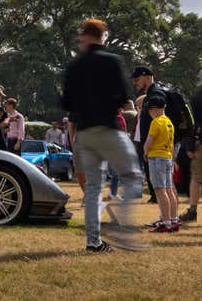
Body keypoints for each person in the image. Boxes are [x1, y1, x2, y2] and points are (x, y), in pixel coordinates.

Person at [61, 18, 144, 253]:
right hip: (107, 128)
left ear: (84, 36)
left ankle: (93, 241)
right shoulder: (112, 61)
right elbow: (123, 95)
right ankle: (122, 228)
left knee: (94, 187)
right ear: (102, 36)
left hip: (84, 133)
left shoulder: (74, 66)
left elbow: (66, 101)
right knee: (133, 177)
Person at [143, 96, 178, 232]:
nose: (150, 114)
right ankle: (174, 220)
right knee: (169, 190)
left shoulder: (156, 122)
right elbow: (172, 142)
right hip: (167, 157)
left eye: (150, 111)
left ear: (155, 109)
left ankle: (165, 222)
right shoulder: (169, 123)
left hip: (156, 158)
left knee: (159, 190)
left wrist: (145, 152)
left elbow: (148, 141)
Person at [132, 66, 167, 205]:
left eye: (137, 79)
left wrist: (149, 144)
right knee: (157, 184)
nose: (135, 83)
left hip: (156, 147)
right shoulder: (150, 96)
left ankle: (166, 218)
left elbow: (160, 123)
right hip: (151, 145)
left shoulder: (156, 95)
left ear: (147, 77)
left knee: (162, 186)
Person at [179, 76, 202, 222]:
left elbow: (190, 123)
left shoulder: (197, 97)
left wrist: (189, 144)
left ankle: (193, 211)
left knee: (196, 179)